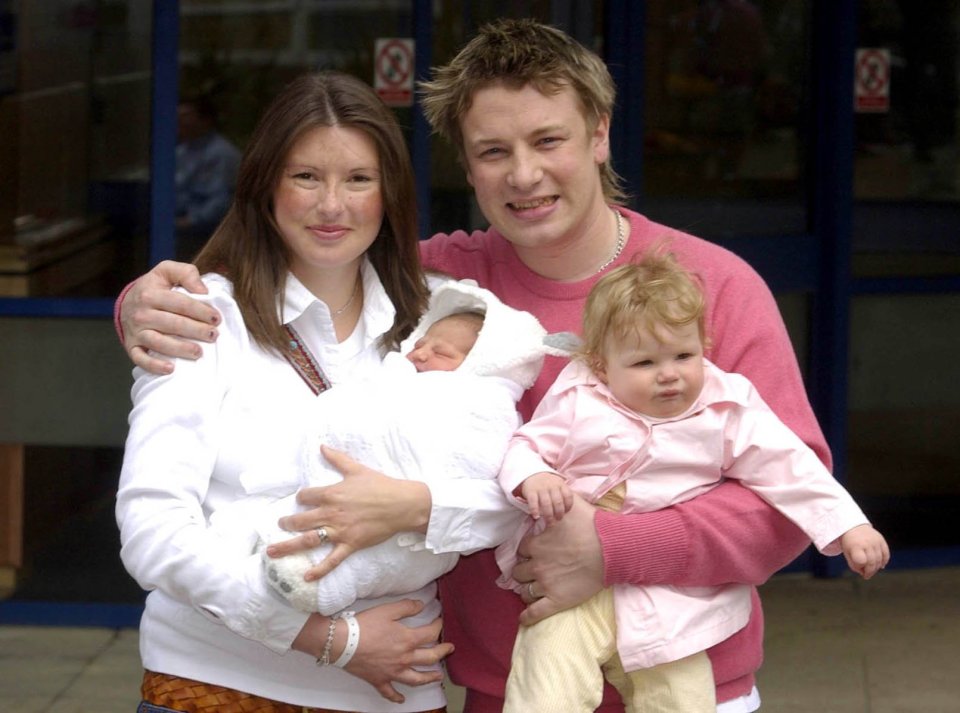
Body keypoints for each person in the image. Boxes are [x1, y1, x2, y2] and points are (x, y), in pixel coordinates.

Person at [114, 19, 835, 713]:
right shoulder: (436, 285)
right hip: (509, 689)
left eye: (548, 140)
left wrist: (610, 548)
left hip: (689, 683)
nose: (524, 174)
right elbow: (308, 264)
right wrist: (146, 304)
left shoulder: (712, 285)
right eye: (493, 151)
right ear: (467, 163)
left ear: (600, 134)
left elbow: (789, 501)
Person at [113, 70, 530, 713]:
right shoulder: (201, 319)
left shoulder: (443, 324)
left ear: (389, 192)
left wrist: (414, 508)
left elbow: (510, 494)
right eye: (307, 176)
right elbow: (152, 530)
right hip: (215, 685)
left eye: (358, 179)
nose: (332, 205)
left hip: (395, 695)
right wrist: (327, 639)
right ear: (265, 187)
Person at [494, 251, 889, 713]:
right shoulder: (579, 397)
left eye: (684, 355)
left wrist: (849, 526)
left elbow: (791, 467)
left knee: (681, 696)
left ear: (704, 344)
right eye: (644, 363)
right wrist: (534, 475)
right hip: (567, 591)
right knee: (545, 686)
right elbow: (523, 447)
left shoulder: (725, 407)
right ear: (602, 367)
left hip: (666, 599)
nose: (669, 374)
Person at [214, 278, 562, 617]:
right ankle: (247, 541)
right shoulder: (394, 374)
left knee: (378, 557)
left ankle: (326, 583)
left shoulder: (484, 405)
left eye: (441, 352)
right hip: (333, 478)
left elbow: (479, 464)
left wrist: (415, 498)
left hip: (408, 530)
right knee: (276, 514)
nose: (422, 354)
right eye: (421, 342)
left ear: (486, 364)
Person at [174, 94, 241, 260]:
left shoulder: (222, 153)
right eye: (178, 116)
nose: (180, 122)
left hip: (206, 235)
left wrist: (190, 221)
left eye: (186, 116)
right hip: (177, 227)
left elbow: (223, 199)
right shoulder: (181, 151)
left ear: (206, 120)